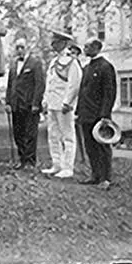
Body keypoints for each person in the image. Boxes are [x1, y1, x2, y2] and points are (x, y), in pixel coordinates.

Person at [75, 39, 118, 188]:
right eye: (85, 45)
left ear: (97, 48)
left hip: (99, 116)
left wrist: (105, 115)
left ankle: (106, 178)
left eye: (87, 46)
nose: (84, 48)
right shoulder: (87, 68)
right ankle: (95, 175)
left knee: (103, 148)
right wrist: (78, 111)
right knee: (90, 147)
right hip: (86, 115)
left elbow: (109, 93)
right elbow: (82, 92)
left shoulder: (106, 67)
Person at [42, 30, 82, 179]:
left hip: (63, 105)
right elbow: (50, 83)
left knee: (68, 136)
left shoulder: (71, 61)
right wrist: (45, 100)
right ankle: (56, 164)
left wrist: (68, 102)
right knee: (53, 135)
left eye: (56, 41)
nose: (53, 44)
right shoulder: (54, 61)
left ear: (64, 43)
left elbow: (74, 84)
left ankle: (68, 167)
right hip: (52, 103)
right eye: (53, 41)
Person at [5, 34, 46, 170]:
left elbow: (40, 84)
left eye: (22, 47)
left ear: (27, 48)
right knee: (18, 133)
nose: (20, 50)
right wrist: (8, 102)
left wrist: (36, 103)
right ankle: (22, 159)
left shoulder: (35, 63)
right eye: (17, 47)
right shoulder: (13, 63)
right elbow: (10, 84)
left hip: (29, 105)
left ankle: (30, 161)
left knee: (30, 134)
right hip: (16, 104)